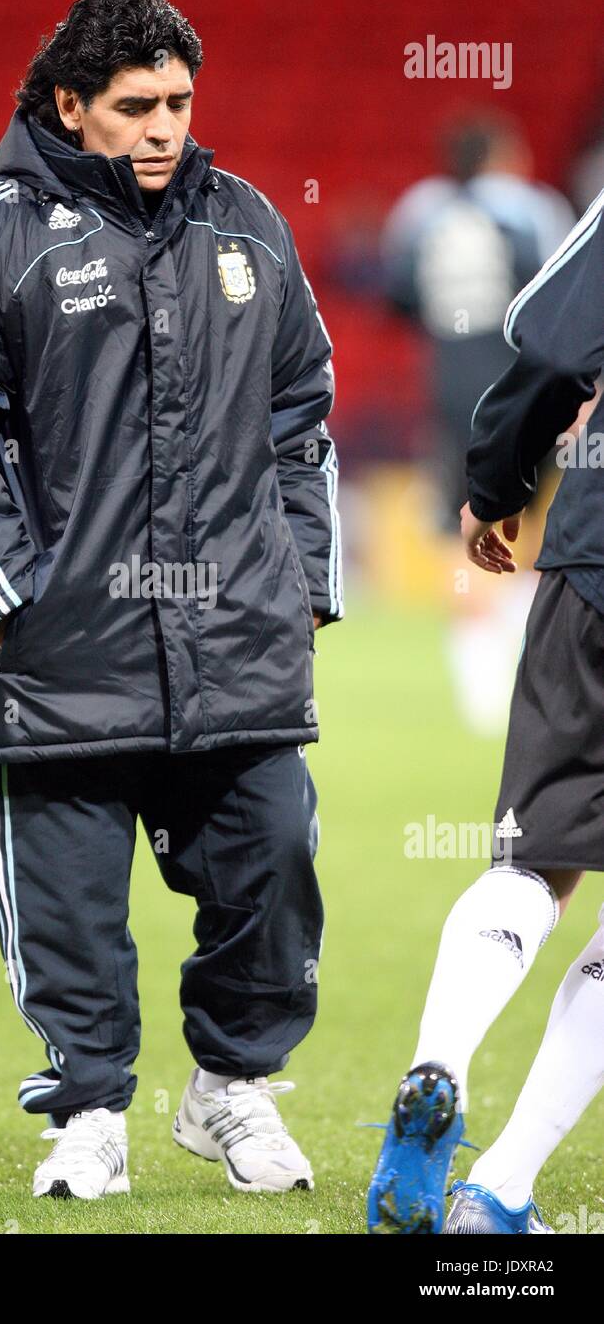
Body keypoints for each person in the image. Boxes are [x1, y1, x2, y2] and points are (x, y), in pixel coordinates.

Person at [0, 0, 343, 1201]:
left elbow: (302, 414)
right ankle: (89, 1114)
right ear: (68, 103)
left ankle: (230, 1087)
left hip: (237, 640)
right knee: (71, 914)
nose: (164, 127)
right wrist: (11, 597)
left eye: (180, 101)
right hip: (57, 657)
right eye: (135, 105)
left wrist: (303, 580)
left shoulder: (249, 226)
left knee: (274, 865)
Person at [367, 183, 604, 1235]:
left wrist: (496, 484)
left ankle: (439, 1063)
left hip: (595, 564)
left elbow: (552, 344)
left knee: (535, 861)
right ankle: (500, 1189)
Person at [380, 113, 574, 735]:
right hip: (520, 379)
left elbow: (397, 291)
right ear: (501, 156)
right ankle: (522, 668)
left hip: (450, 382)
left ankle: (479, 682)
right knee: (534, 520)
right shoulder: (530, 207)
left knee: (458, 523)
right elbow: (562, 292)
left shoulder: (421, 209)